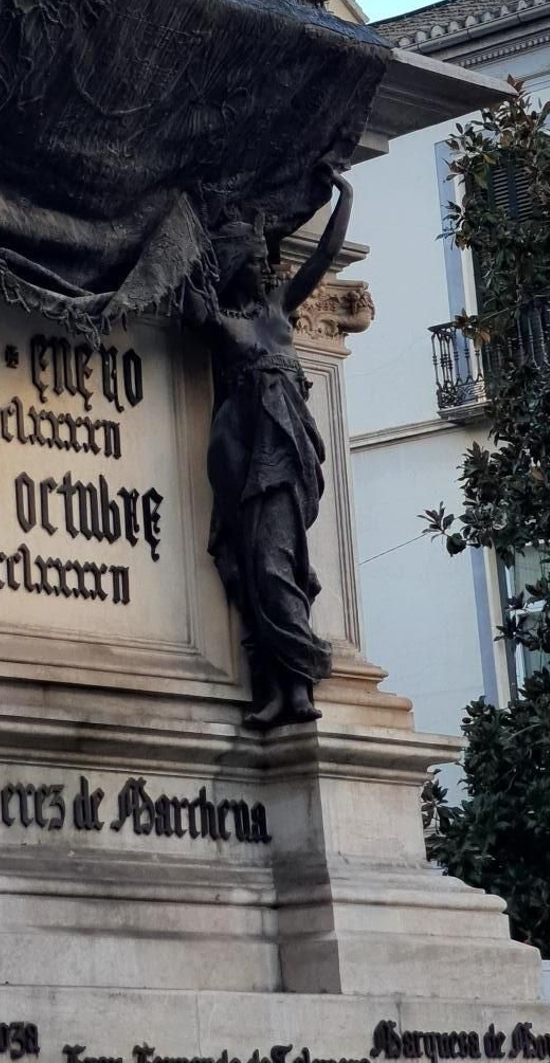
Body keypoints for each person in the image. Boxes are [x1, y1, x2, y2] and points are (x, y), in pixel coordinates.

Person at [191, 166, 353, 729]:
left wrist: (344, 198)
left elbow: (322, 257)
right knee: (262, 570)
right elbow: (188, 296)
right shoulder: (224, 324)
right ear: (234, 266)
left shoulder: (279, 311)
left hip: (286, 460)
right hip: (248, 462)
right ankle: (286, 688)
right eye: (254, 259)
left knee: (278, 566)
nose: (266, 266)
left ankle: (299, 683)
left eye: (266, 258)